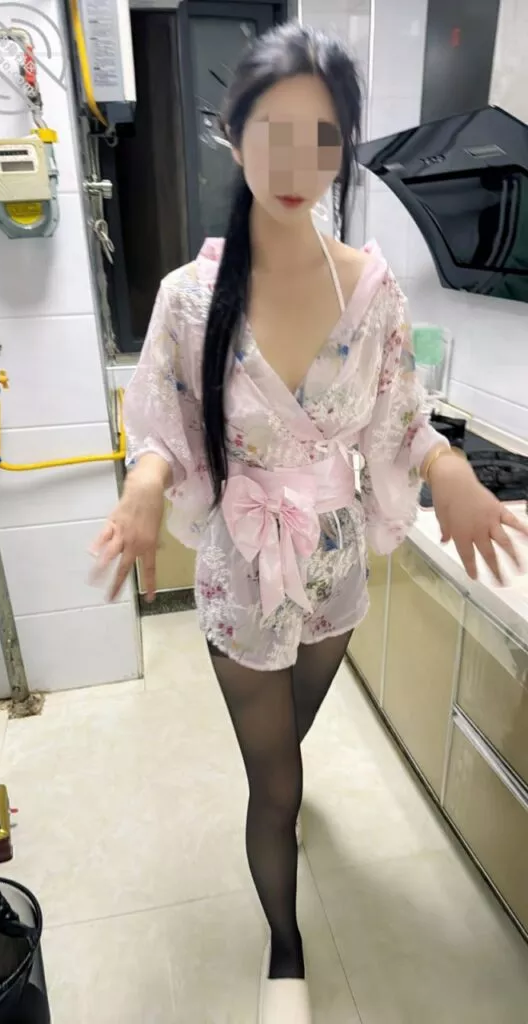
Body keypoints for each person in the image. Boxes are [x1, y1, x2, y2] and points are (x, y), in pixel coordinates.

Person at [92, 22, 528, 1024]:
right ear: (233, 132)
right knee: (275, 781)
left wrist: (450, 469)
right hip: (242, 573)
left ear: (343, 148)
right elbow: (163, 424)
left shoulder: (370, 290)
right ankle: (285, 949)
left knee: (295, 728)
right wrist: (145, 484)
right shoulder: (189, 298)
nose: (297, 162)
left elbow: (401, 420)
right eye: (274, 132)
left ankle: (283, 792)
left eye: (322, 137)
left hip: (333, 573)